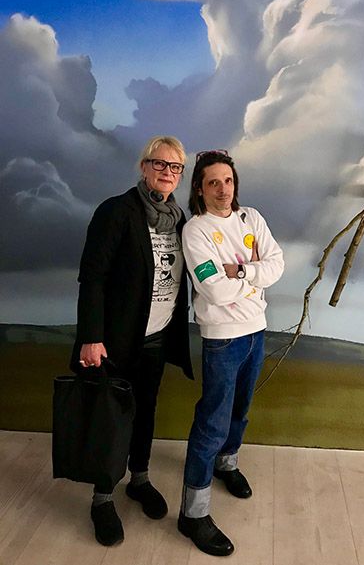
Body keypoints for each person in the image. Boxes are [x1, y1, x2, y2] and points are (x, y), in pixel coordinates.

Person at [70, 135, 193, 546]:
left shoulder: (180, 220)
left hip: (157, 336)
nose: (167, 172)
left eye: (175, 167)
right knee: (112, 418)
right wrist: (91, 337)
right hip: (117, 340)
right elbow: (93, 278)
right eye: (159, 163)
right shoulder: (117, 211)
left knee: (146, 410)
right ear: (144, 167)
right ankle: (102, 498)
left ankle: (138, 479)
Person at [177, 150, 284, 556]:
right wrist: (255, 277)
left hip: (256, 331)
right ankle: (193, 514)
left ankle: (227, 465)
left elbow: (277, 265)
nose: (223, 189)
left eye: (228, 180)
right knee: (213, 422)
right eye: (213, 183)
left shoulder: (251, 218)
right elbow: (214, 291)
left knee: (240, 410)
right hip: (222, 339)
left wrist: (240, 271)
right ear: (199, 189)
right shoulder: (196, 231)